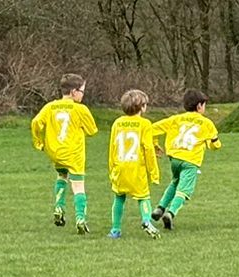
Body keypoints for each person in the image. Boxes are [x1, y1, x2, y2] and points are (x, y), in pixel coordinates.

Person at [31, 74, 98, 235]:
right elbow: (92, 130)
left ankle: (59, 207)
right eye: (82, 91)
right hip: (73, 153)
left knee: (62, 176)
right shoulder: (80, 109)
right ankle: (80, 219)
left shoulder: (50, 107)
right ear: (74, 92)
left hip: (55, 151)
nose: (83, 95)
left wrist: (38, 141)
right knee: (78, 185)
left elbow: (36, 122)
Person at [152, 91, 221, 229]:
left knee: (175, 182)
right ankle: (170, 213)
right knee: (184, 190)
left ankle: (160, 208)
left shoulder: (176, 119)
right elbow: (215, 146)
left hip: (175, 158)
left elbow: (152, 129)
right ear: (199, 106)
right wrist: (214, 142)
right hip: (191, 160)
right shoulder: (207, 123)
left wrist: (155, 144)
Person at [105, 89, 161, 239]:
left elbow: (112, 147)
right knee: (143, 197)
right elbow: (148, 148)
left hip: (120, 166)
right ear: (142, 107)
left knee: (119, 197)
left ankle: (115, 230)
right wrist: (154, 172)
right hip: (136, 167)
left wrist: (111, 167)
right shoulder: (145, 124)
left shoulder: (117, 123)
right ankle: (146, 221)